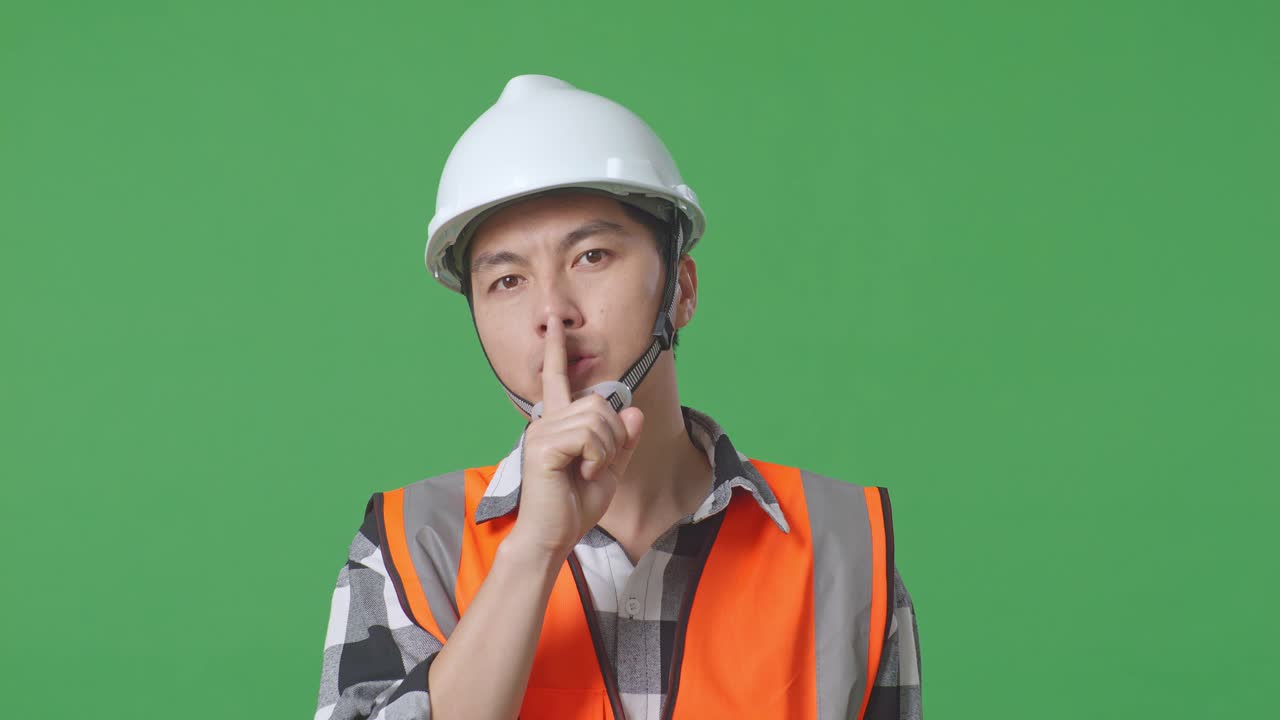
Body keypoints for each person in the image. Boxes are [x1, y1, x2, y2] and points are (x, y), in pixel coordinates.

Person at [314, 74, 922, 720]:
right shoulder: (411, 546)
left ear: (681, 289)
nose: (552, 313)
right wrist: (535, 549)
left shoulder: (845, 547)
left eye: (592, 256)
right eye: (508, 280)